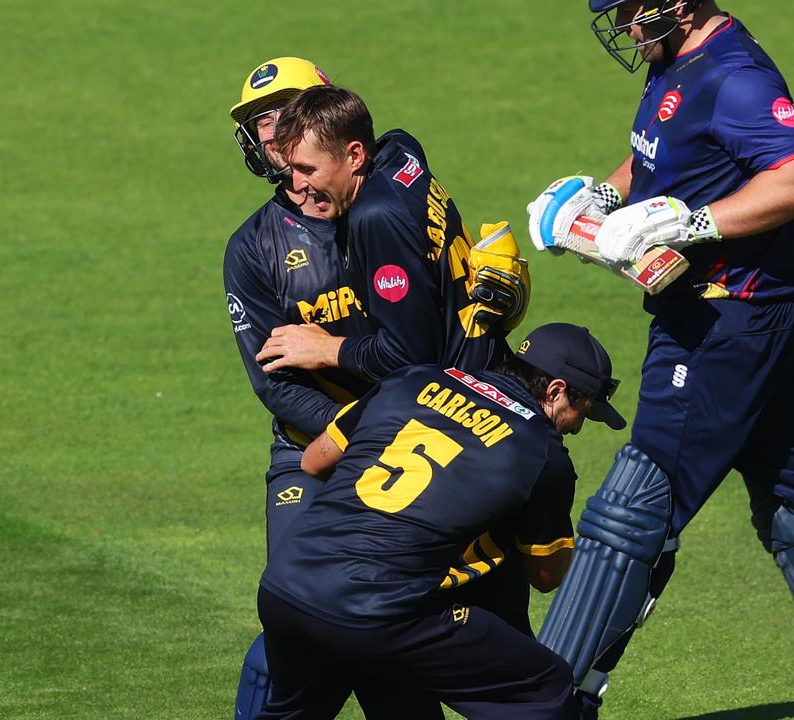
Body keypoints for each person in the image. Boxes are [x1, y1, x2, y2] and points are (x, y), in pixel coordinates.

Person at [527, 3, 794, 720]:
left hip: (726, 318)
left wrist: (690, 223)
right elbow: (659, 154)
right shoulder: (672, 59)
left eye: (628, 9)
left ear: (677, 2)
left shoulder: (737, 76)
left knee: (635, 509)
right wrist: (601, 199)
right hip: (752, 309)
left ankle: (542, 707)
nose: (622, 26)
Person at [225, 60, 536, 719]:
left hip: (427, 432)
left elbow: (422, 333)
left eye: (290, 111)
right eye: (263, 120)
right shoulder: (254, 249)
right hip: (316, 452)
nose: (276, 130)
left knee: (474, 609)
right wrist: (364, 436)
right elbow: (278, 388)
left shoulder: (375, 199)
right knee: (302, 614)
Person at [257, 323, 626, 720]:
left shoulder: (413, 377)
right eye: (581, 411)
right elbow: (546, 576)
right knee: (546, 689)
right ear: (554, 391)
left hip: (286, 585)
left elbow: (313, 460)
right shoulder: (544, 453)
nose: (577, 427)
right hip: (380, 611)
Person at [254, 84, 522, 380]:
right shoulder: (402, 152)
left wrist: (325, 349)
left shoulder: (375, 218)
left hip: (462, 397)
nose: (299, 183)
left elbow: (409, 355)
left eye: (308, 169)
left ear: (355, 155)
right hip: (491, 365)